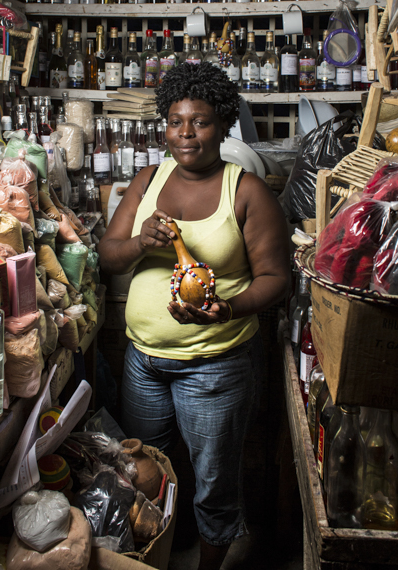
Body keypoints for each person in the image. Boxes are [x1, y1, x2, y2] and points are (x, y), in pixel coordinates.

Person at [98, 63, 290, 570]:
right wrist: (142, 243)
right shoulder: (147, 179)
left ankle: (208, 565)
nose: (186, 133)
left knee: (213, 478)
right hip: (144, 361)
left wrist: (227, 310)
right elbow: (108, 255)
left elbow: (275, 278)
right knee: (144, 469)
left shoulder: (246, 190)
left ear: (223, 126)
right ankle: (155, 551)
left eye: (200, 122)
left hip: (216, 363)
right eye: (176, 121)